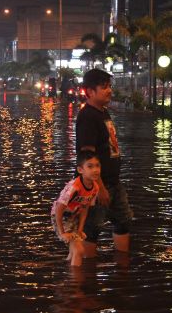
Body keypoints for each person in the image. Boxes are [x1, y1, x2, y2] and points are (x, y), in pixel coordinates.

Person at [75, 68, 132, 258]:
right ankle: (86, 278)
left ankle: (122, 270)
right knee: (91, 231)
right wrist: (99, 187)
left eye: (109, 87)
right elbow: (87, 157)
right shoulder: (88, 116)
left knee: (123, 222)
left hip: (113, 181)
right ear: (90, 91)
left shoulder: (102, 112)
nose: (109, 91)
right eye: (104, 87)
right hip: (95, 186)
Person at [51, 151, 101, 266]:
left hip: (74, 215)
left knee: (75, 251)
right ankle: (75, 282)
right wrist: (62, 232)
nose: (95, 170)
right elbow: (59, 209)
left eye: (97, 165)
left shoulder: (95, 188)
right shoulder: (75, 187)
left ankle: (69, 273)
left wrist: (80, 229)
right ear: (80, 170)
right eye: (90, 166)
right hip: (61, 216)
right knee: (79, 250)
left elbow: (85, 208)